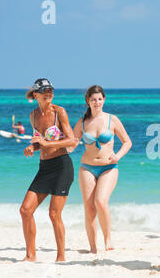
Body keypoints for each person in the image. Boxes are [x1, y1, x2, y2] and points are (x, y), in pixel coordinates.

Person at [20, 78, 77, 262]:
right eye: (45, 90)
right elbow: (40, 142)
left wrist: (47, 142)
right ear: (36, 94)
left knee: (54, 214)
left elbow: (72, 140)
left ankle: (61, 256)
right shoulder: (33, 115)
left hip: (62, 166)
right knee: (25, 210)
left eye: (51, 89)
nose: (49, 92)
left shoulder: (59, 112)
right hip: (44, 168)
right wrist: (33, 148)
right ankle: (30, 255)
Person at [72, 85, 132, 253]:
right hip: (87, 168)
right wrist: (56, 144)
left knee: (100, 201)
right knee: (89, 207)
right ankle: (92, 247)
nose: (97, 102)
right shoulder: (82, 122)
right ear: (87, 101)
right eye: (93, 99)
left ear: (104, 100)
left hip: (109, 167)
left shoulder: (112, 119)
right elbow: (72, 144)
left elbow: (127, 142)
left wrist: (118, 156)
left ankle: (107, 239)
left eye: (99, 99)